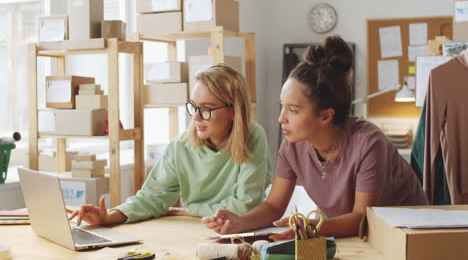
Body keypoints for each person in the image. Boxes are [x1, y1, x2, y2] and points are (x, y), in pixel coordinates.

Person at [202, 36, 428, 238]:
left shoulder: (369, 144)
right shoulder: (292, 145)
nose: (281, 118)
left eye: (293, 110)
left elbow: (362, 218)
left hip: (410, 235)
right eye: (282, 107)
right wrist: (239, 221)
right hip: (359, 237)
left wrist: (310, 228)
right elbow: (273, 206)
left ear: (325, 116)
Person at [68, 65, 272, 226]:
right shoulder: (180, 145)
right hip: (194, 228)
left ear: (234, 111)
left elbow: (246, 205)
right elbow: (152, 197)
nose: (197, 117)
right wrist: (108, 216)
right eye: (193, 107)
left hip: (238, 231)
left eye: (207, 109)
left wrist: (190, 210)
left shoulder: (253, 137)